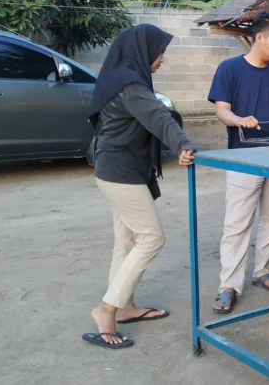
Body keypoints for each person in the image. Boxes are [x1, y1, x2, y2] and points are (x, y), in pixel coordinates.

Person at [84, 24, 197, 349]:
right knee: (152, 238)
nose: (161, 58)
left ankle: (126, 306)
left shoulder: (120, 78)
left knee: (127, 241)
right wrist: (184, 144)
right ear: (143, 51)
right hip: (120, 174)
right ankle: (106, 310)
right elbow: (159, 117)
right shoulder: (130, 84)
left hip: (118, 170)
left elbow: (154, 116)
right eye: (160, 52)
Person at [207, 11, 269, 314]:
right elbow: (222, 111)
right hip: (243, 157)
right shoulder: (229, 69)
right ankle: (229, 285)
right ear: (259, 37)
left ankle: (262, 270)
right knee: (237, 223)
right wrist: (239, 119)